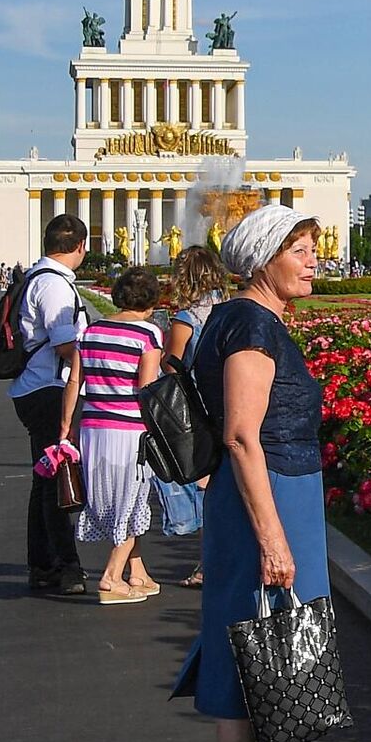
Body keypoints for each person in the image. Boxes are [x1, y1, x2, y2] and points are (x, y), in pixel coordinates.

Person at [173, 205, 329, 742]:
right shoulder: (250, 324)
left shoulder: (245, 319)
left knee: (257, 640)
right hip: (265, 502)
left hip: (275, 495)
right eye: (299, 248)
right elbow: (242, 434)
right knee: (250, 643)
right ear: (264, 257)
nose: (313, 260)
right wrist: (273, 537)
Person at [67, 266, 163, 605]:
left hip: (93, 426)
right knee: (133, 498)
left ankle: (137, 571)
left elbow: (75, 383)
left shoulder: (91, 332)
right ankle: (111, 576)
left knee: (110, 497)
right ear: (152, 301)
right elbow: (147, 390)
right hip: (130, 429)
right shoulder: (148, 335)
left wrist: (67, 427)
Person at [10, 215, 91, 595]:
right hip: (50, 388)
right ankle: (65, 565)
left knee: (44, 479)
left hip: (35, 387)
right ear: (79, 246)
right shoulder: (56, 287)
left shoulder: (37, 279)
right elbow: (65, 346)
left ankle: (43, 562)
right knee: (55, 479)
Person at [162, 245, 232, 586]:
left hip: (200, 408)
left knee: (207, 488)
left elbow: (171, 365)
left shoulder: (185, 319)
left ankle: (207, 565)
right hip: (230, 402)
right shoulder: (229, 311)